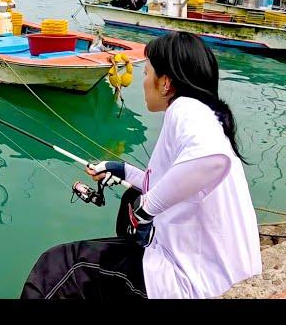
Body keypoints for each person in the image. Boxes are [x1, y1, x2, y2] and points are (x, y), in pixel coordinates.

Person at [20, 31, 262, 299]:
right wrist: (123, 171)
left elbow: (210, 160)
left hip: (194, 282)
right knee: (128, 208)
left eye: (147, 74)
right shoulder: (208, 117)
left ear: (166, 83)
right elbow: (177, 183)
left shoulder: (185, 109)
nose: (144, 82)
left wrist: (144, 211)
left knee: (59, 268)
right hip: (221, 274)